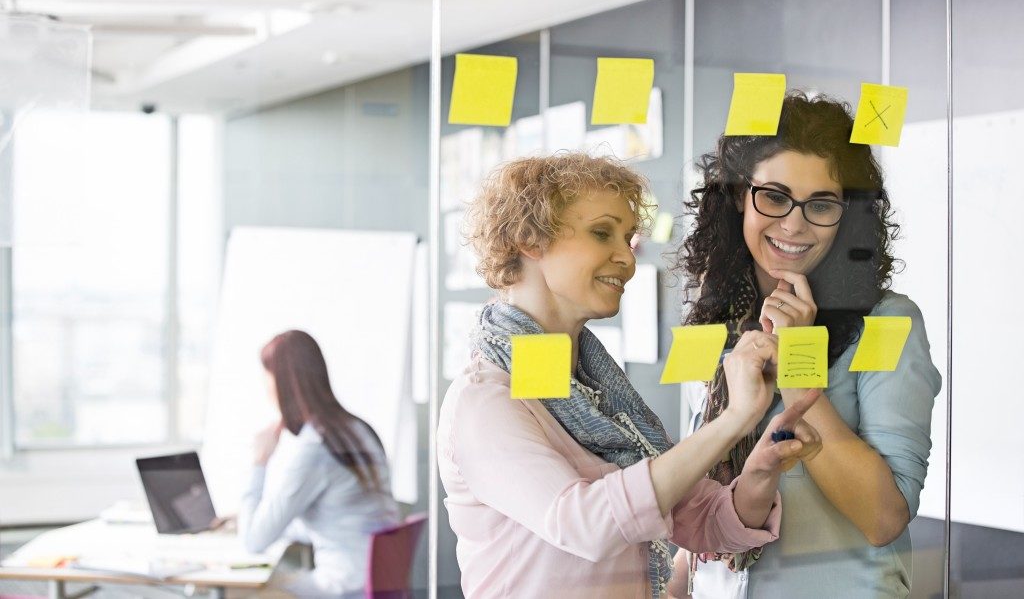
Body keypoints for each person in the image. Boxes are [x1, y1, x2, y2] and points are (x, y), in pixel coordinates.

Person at [437, 153, 822, 598]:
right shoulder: (484, 399)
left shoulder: (595, 391)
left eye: (628, 237)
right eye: (602, 233)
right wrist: (732, 420)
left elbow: (703, 522)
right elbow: (585, 526)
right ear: (529, 239)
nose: (628, 258)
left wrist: (760, 470)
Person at [670, 92, 942, 598]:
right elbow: (703, 479)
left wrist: (799, 366)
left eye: (820, 205)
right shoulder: (710, 323)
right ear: (737, 197)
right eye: (774, 196)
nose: (794, 225)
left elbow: (884, 518)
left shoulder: (888, 320)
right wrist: (675, 586)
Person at [239, 330, 400, 597]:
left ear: (282, 383)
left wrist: (259, 461)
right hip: (372, 582)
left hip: (343, 588)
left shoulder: (314, 448)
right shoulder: (357, 430)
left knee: (246, 593)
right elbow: (342, 515)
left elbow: (253, 541)